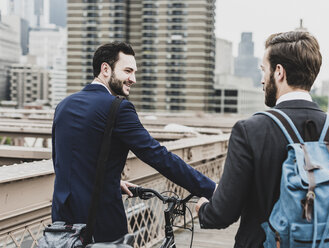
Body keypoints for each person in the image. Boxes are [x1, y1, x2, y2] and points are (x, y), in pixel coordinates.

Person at [195, 31, 329, 247]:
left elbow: (222, 214)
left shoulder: (250, 130)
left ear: (279, 72)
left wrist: (203, 209)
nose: (261, 79)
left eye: (263, 70)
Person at [51, 42, 216, 242]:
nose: (133, 79)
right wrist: (211, 189)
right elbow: (158, 156)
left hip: (62, 222)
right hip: (100, 223)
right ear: (105, 69)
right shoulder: (118, 108)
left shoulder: (64, 105)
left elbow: (64, 159)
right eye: (128, 71)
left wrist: (108, 179)